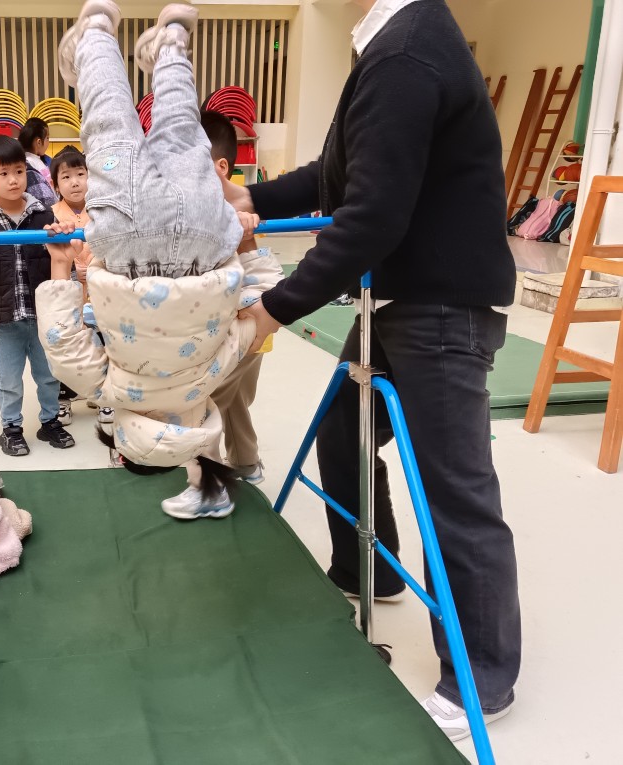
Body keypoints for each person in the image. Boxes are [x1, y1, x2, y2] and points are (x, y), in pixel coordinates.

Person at [221, 0, 521, 742]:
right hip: (398, 299)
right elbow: (339, 176)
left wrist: (272, 308)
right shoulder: (391, 41)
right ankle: (370, 572)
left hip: (438, 305)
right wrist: (250, 197)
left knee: (454, 489)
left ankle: (481, 678)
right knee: (343, 433)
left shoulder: (407, 50)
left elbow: (373, 215)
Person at [38, 1, 281, 519]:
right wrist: (60, 266)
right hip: (127, 240)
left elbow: (264, 305)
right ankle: (96, 32)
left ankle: (171, 41)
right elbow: (60, 341)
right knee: (109, 124)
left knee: (180, 129)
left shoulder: (211, 375)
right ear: (125, 433)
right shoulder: (111, 388)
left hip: (204, 232)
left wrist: (245, 241)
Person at [0, 135, 76, 457]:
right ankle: (11, 428)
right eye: (4, 173)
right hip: (5, 318)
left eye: (19, 171)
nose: (13, 180)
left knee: (49, 375)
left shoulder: (44, 217)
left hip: (42, 316)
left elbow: (62, 259)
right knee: (9, 379)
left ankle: (50, 421)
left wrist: (68, 304)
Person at [201, 109, 269, 486]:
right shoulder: (196, 209)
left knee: (209, 398)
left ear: (221, 167)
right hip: (216, 326)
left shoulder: (243, 209)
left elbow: (265, 279)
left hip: (249, 327)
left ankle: (209, 478)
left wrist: (246, 239)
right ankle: (246, 461)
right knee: (235, 398)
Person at [49, 146, 96, 427]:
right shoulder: (52, 214)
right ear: (56, 185)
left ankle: (99, 393)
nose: (75, 182)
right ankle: (63, 399)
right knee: (67, 341)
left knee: (99, 339)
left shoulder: (101, 210)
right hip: (69, 287)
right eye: (66, 177)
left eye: (80, 174)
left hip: (99, 289)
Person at [18, 117, 58, 207]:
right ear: (39, 142)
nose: (48, 142)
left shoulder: (41, 160)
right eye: (47, 138)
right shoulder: (29, 163)